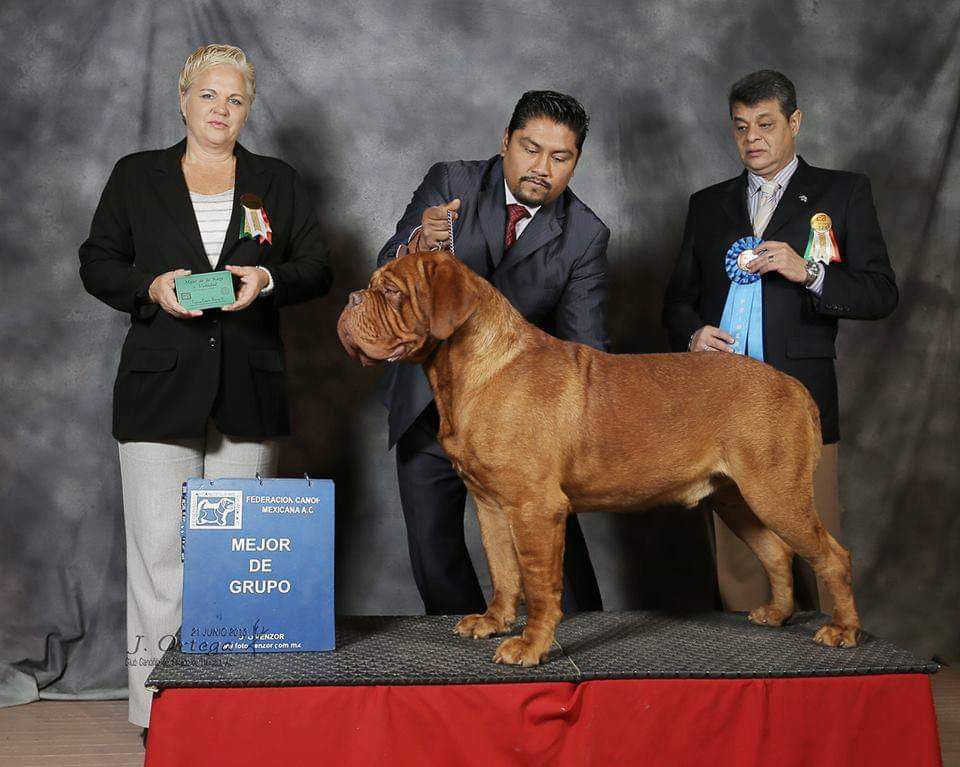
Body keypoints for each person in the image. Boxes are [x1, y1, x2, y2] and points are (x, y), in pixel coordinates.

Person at [78, 44, 332, 733]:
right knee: (160, 557)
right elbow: (97, 261)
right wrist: (151, 287)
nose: (222, 110)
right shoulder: (137, 175)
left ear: (249, 108)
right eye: (209, 96)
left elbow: (317, 263)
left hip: (249, 388)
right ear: (183, 98)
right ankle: (158, 715)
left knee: (238, 562)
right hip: (159, 388)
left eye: (236, 99)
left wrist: (268, 279)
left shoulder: (274, 181)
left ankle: (230, 711)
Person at [663, 69, 897, 615]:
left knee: (811, 534)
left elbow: (880, 293)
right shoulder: (707, 204)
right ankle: (748, 667)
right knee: (741, 553)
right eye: (740, 127)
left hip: (801, 400)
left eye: (765, 124)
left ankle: (831, 663)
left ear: (795, 122)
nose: (752, 139)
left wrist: (809, 270)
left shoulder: (844, 192)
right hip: (716, 407)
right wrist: (693, 333)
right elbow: (676, 300)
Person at [377, 90, 608, 616]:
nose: (542, 168)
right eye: (530, 148)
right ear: (505, 141)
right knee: (434, 552)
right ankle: (467, 669)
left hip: (524, 425)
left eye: (560, 157)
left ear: (576, 161)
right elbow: (389, 267)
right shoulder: (451, 183)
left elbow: (586, 347)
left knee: (556, 554)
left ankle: (580, 661)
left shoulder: (586, 234)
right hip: (428, 405)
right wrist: (422, 241)